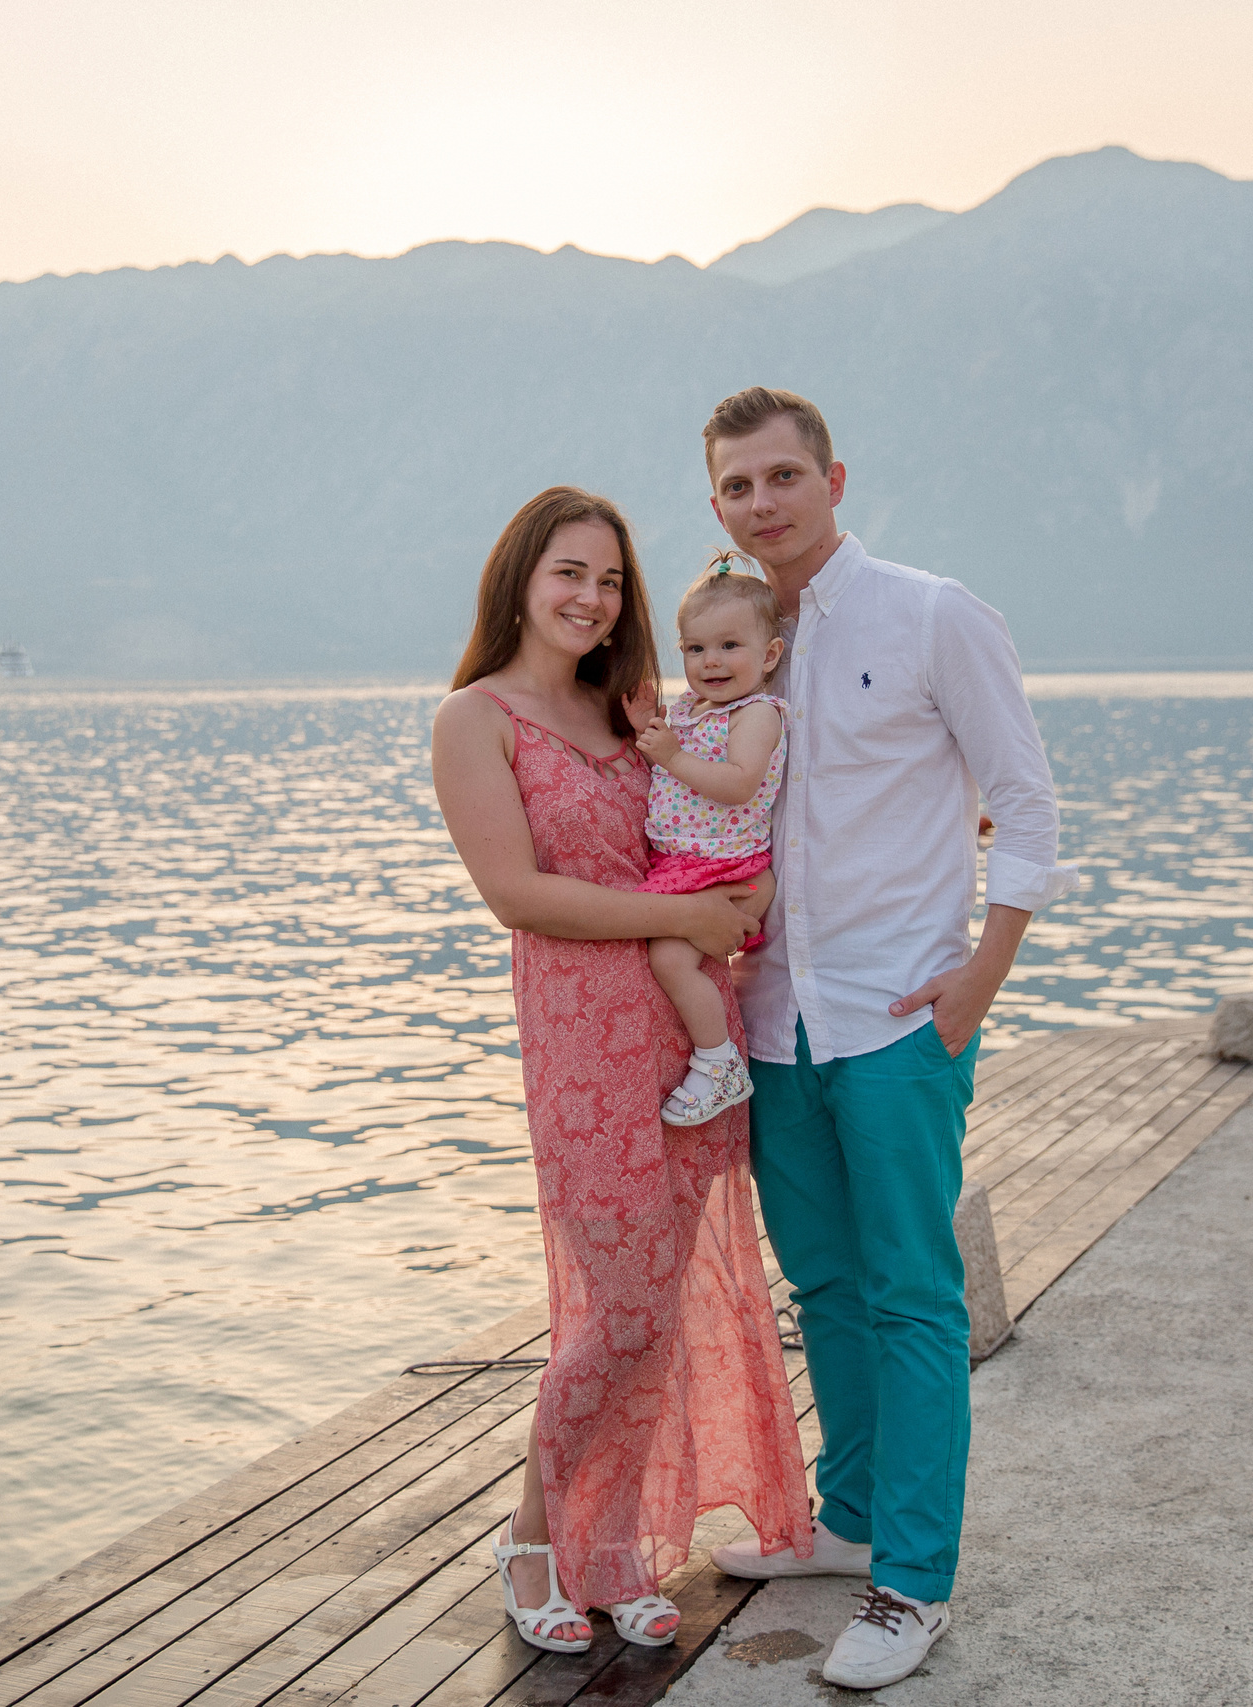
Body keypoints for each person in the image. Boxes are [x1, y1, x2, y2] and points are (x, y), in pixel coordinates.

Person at [697, 388, 1076, 1689]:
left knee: (914, 1291)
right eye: (739, 485)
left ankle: (912, 1582)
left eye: (784, 475)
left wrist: (984, 972)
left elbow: (1024, 796)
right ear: (718, 505)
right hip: (776, 1024)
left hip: (900, 1018)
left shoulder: (930, 611)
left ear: (835, 478)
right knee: (829, 1286)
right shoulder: (736, 643)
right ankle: (846, 1518)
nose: (765, 501)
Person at [430, 486, 813, 1656]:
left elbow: (730, 819)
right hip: (583, 1038)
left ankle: (621, 1552)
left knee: (649, 1317)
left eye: (608, 580)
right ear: (519, 581)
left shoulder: (633, 706)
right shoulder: (473, 718)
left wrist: (731, 919)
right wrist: (693, 928)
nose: (590, 599)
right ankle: (533, 1541)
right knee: (623, 1310)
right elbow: (516, 895)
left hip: (692, 1030)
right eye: (569, 574)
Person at [632, 555, 787, 1127]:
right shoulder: (690, 712)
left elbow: (739, 784)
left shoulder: (757, 714)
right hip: (686, 866)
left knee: (670, 960)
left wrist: (672, 753)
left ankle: (719, 1060)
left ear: (769, 655)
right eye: (696, 649)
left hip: (731, 868)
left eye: (728, 646)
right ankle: (707, 1053)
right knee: (662, 957)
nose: (711, 661)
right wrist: (646, 726)